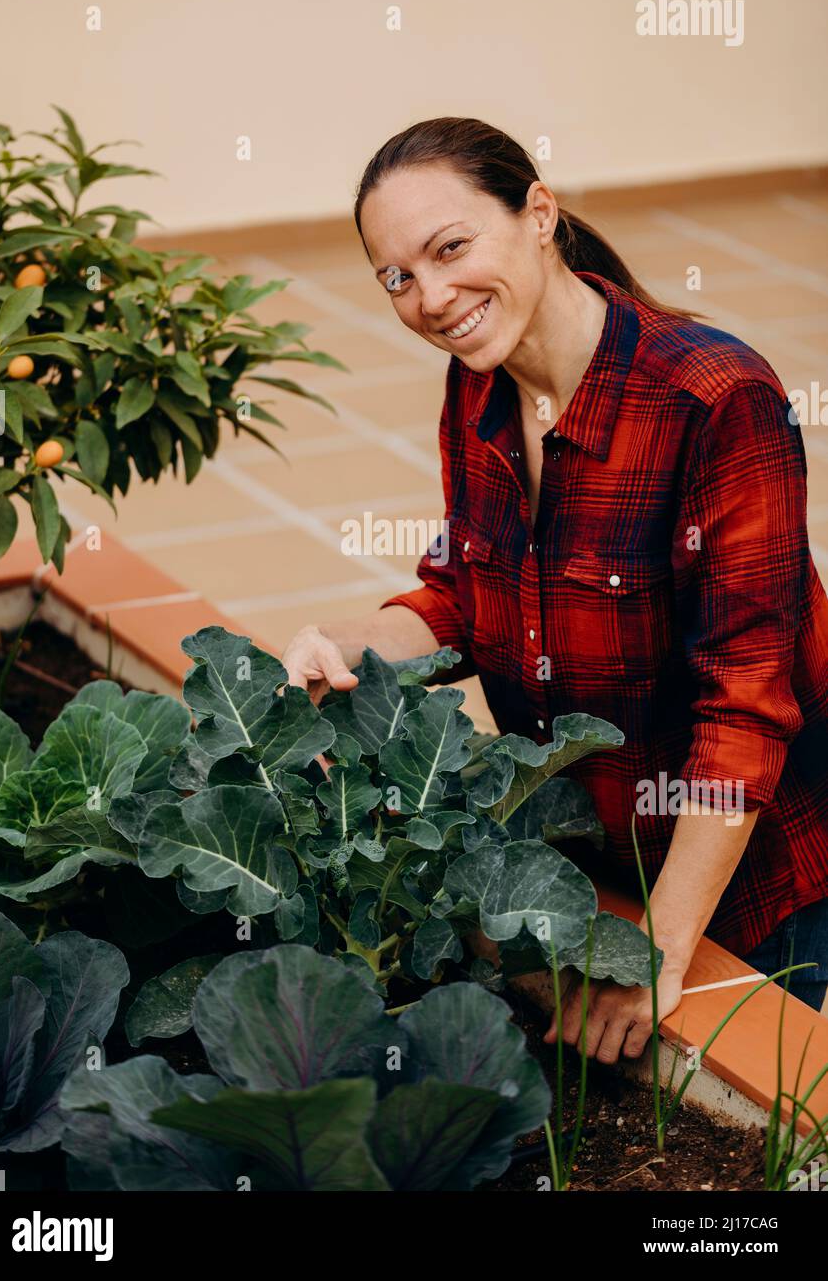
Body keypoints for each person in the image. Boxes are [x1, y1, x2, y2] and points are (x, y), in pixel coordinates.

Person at [282, 116, 828, 1062]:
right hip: (601, 868)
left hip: (764, 894)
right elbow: (465, 591)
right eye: (397, 277)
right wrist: (351, 643)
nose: (432, 298)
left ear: (539, 213)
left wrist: (659, 950)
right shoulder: (479, 387)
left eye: (451, 248)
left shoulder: (714, 402)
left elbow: (744, 714)